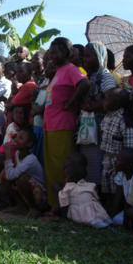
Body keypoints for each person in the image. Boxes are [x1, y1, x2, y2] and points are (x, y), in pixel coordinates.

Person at [43, 37, 90, 207]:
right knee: (51, 167)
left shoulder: (70, 69)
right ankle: (53, 205)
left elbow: (84, 84)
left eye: (55, 52)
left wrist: (71, 102)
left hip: (62, 125)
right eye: (50, 52)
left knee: (61, 166)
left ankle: (62, 206)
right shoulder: (57, 71)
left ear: (66, 53)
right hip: (50, 125)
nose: (51, 56)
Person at [78, 41, 116, 186]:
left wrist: (93, 106)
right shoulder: (88, 77)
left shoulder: (105, 76)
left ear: (99, 56)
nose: (84, 60)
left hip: (100, 127)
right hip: (86, 127)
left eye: (89, 56)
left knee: (97, 164)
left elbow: (111, 98)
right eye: (84, 56)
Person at [99, 88, 133, 204]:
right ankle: (108, 207)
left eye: (107, 100)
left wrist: (122, 162)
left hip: (119, 161)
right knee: (106, 184)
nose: (103, 102)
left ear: (117, 103)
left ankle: (116, 209)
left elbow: (131, 147)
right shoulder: (107, 116)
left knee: (117, 186)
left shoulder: (125, 120)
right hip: (107, 158)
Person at [58, 152, 112, 228]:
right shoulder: (90, 185)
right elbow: (96, 199)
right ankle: (98, 221)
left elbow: (64, 204)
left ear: (67, 176)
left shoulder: (67, 189)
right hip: (93, 212)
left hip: (78, 215)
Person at [4, 128, 47, 217]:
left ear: (29, 144)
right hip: (29, 189)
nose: (15, 139)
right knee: (4, 174)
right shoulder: (17, 154)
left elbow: (11, 175)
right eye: (16, 137)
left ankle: (34, 208)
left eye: (20, 138)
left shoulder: (31, 159)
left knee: (21, 179)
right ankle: (21, 206)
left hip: (40, 194)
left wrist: (8, 155)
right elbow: (10, 174)